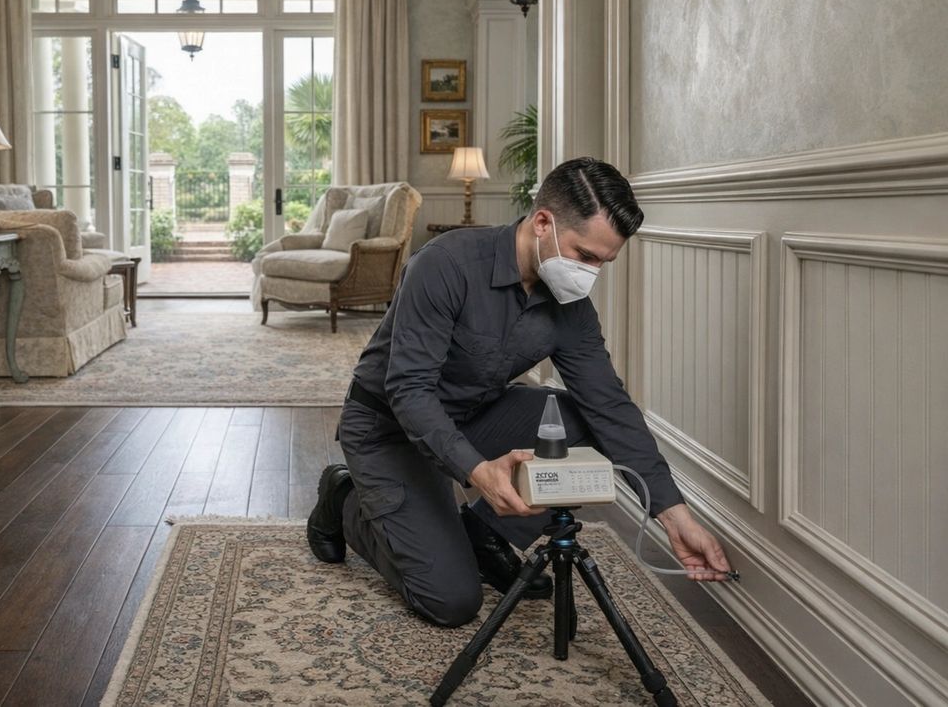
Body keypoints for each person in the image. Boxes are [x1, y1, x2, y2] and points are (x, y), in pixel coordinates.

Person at [306, 157, 733, 628]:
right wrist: (476, 471)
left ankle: (483, 531)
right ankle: (344, 495)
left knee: (582, 421)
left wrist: (671, 514)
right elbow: (408, 391)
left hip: (473, 414)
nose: (591, 274)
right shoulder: (445, 265)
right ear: (543, 222)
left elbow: (608, 405)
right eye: (585, 256)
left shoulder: (569, 306)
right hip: (389, 428)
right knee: (451, 601)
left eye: (604, 263)